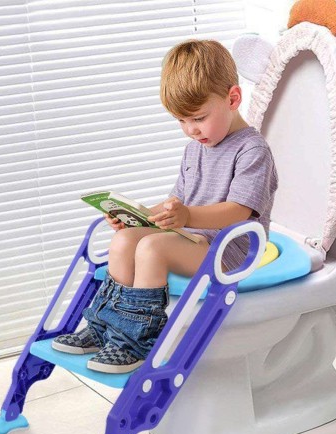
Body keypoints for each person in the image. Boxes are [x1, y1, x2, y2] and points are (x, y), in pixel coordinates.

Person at [52, 39, 278, 374]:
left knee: (152, 249)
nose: (191, 130)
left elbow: (238, 211)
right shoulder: (196, 148)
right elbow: (177, 204)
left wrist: (186, 216)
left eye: (198, 118)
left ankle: (136, 341)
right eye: (181, 121)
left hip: (229, 250)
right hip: (193, 239)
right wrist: (138, 217)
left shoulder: (252, 150)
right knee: (125, 240)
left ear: (232, 99)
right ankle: (104, 327)